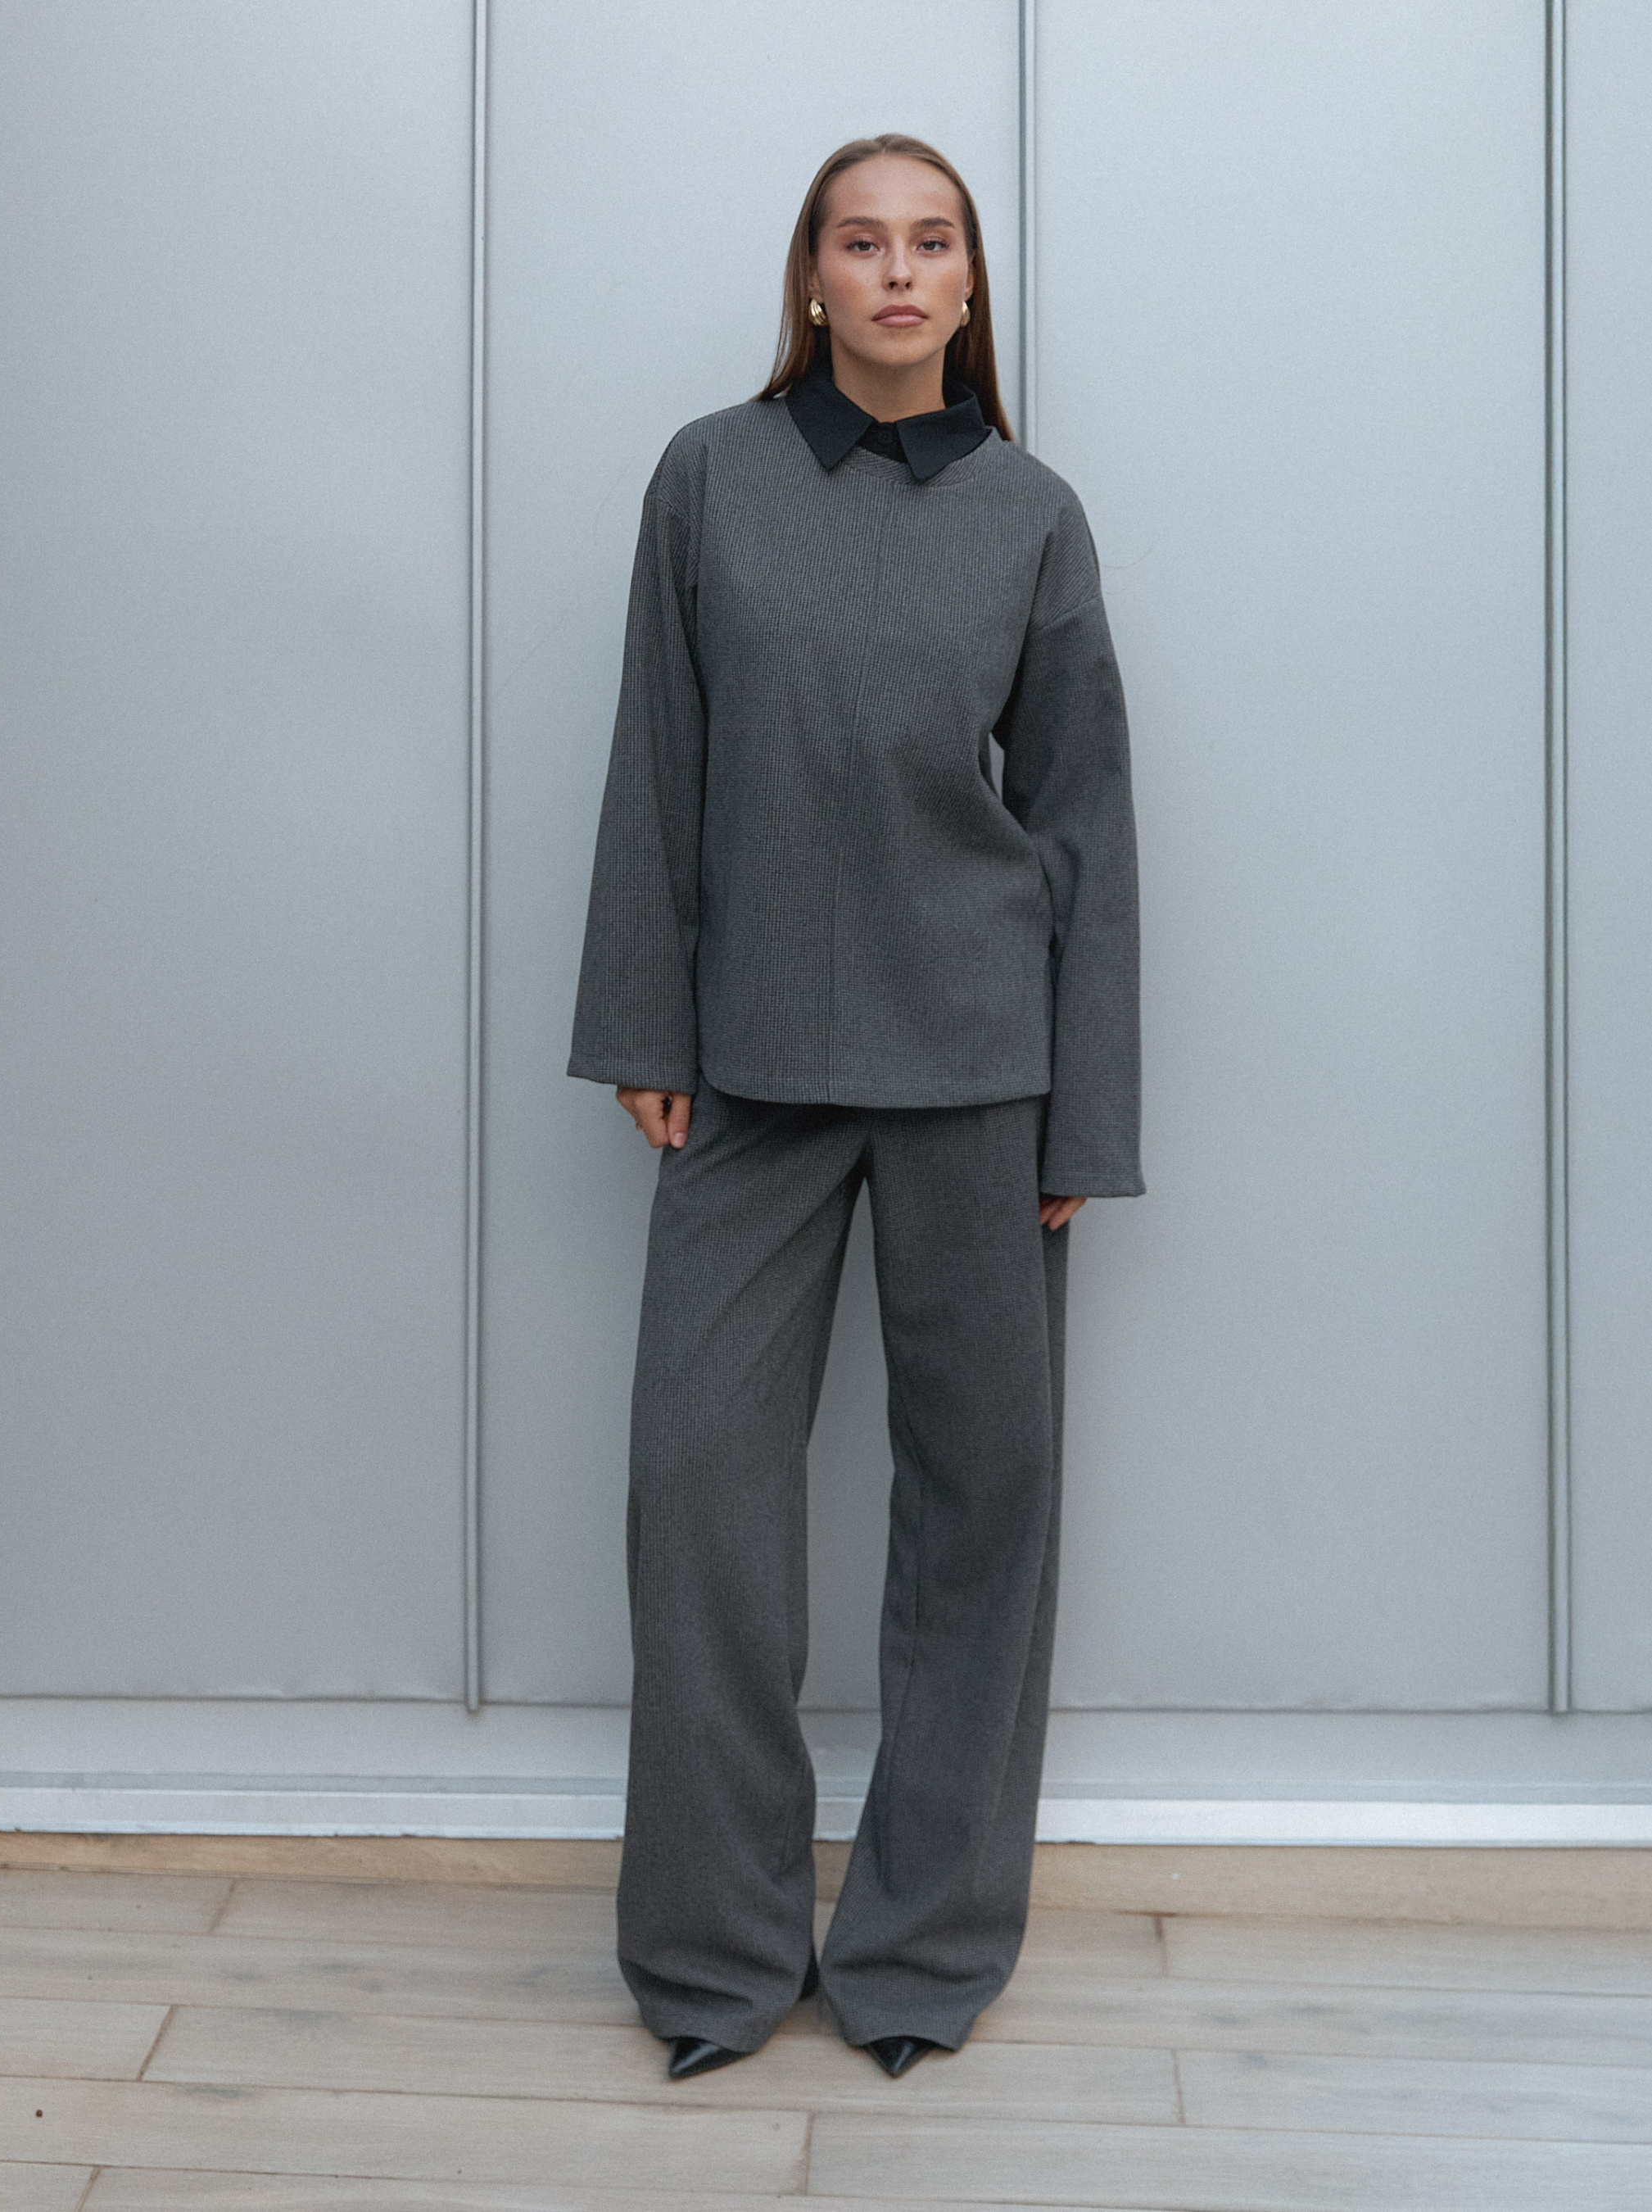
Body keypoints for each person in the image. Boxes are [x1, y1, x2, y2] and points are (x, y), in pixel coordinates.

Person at [568, 131, 1142, 2082]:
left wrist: (1080, 1123)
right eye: (860, 241)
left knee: (984, 1510)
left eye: (931, 243)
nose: (897, 272)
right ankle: (713, 1959)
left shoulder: (1031, 516)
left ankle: (919, 1953)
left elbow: (1080, 822)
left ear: (966, 287)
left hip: (982, 1068)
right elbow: (658, 753)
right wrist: (646, 1023)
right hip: (748, 1064)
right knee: (696, 1497)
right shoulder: (708, 478)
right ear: (810, 277)